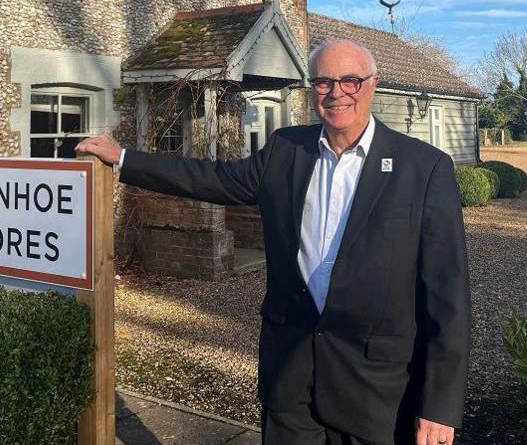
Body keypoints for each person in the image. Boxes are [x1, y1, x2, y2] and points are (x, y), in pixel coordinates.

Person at [76, 39, 471, 445]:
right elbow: (213, 178)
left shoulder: (423, 168)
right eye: (323, 82)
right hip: (291, 380)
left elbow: (448, 298)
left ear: (372, 84)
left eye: (350, 81)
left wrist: (438, 407)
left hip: (377, 393)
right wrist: (124, 158)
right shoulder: (287, 149)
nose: (336, 93)